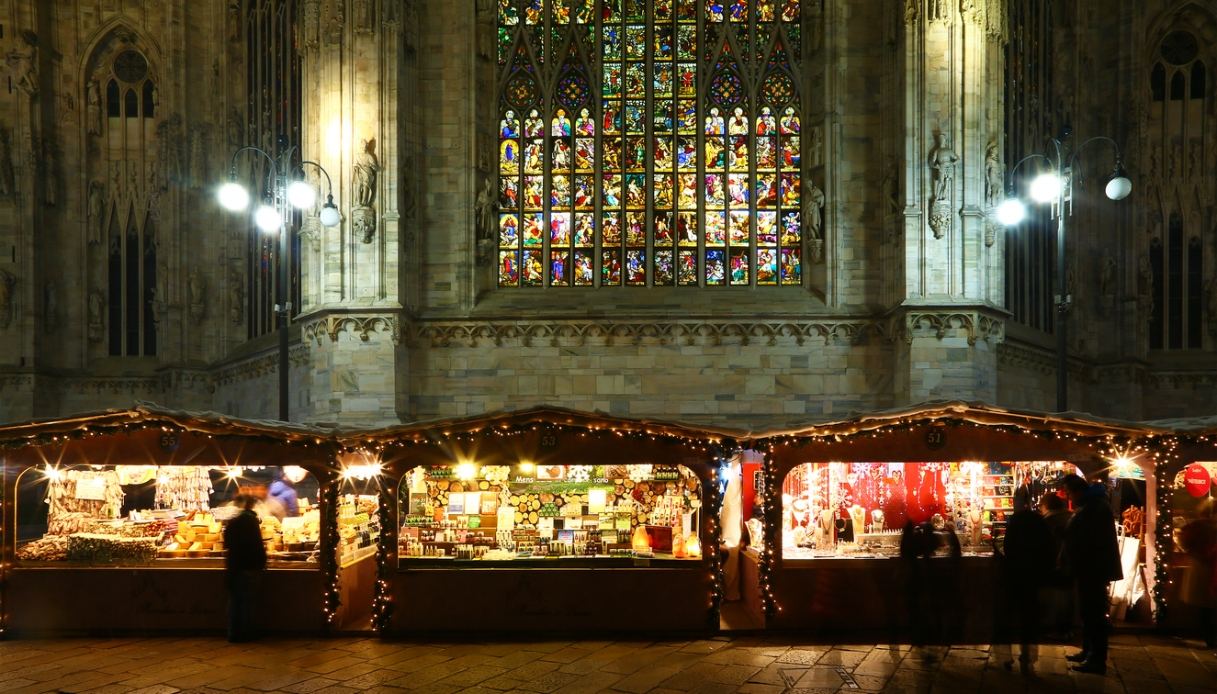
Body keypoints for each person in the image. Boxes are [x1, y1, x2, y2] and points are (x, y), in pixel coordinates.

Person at [1059, 474, 1122, 674]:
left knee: (1094, 613)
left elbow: (1088, 539)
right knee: (1088, 612)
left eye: (1069, 493)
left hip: (1093, 569)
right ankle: (1088, 651)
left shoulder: (1095, 508)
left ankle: (1096, 658)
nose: (1068, 497)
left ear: (1078, 491)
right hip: (1089, 568)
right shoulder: (1091, 505)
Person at [993, 497, 1054, 673]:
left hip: (1013, 576)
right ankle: (1027, 657)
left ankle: (1005, 658)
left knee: (1007, 616)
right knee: (1029, 618)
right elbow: (1048, 551)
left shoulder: (1016, 524)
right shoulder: (1041, 526)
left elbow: (1007, 548)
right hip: (1032, 578)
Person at [223, 495, 267, 642]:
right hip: (249, 566)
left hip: (234, 566)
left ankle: (233, 633)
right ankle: (247, 632)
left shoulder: (233, 521)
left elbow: (226, 543)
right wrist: (262, 562)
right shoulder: (251, 521)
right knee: (247, 602)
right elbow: (257, 545)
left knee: (235, 601)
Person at [1177, 500, 1217, 648]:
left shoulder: (1196, 526)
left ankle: (1207, 636)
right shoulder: (1207, 526)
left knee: (1203, 606)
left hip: (1200, 566)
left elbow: (1183, 541)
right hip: (1210, 566)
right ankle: (1210, 636)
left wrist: (1191, 552)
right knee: (1209, 604)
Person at [1039, 492, 1074, 638]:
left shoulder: (1047, 521)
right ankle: (1067, 629)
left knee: (1054, 598)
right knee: (1068, 596)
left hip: (1055, 564)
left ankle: (1057, 628)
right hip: (1072, 564)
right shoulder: (1072, 517)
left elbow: (1043, 545)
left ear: (1045, 506)